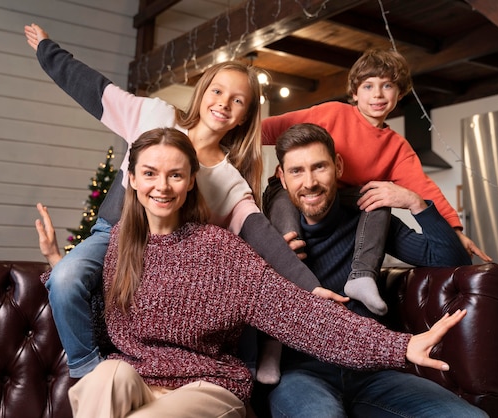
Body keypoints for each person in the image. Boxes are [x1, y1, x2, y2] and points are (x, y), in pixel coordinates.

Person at [36, 127, 468, 418]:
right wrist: (61, 266)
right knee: (106, 375)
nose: (161, 186)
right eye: (149, 174)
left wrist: (400, 346)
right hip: (139, 382)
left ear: (190, 183)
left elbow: (300, 314)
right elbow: (96, 324)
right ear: (131, 180)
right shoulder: (118, 250)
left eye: (175, 175)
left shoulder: (220, 250)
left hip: (205, 390)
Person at [24, 23, 343, 378]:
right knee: (66, 277)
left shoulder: (229, 181)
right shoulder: (154, 115)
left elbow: (264, 238)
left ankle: (246, 368)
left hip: (168, 261)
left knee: (245, 276)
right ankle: (86, 371)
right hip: (113, 233)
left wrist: (311, 287)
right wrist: (48, 51)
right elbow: (95, 89)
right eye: (218, 91)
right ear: (203, 91)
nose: (223, 103)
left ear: (245, 116)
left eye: (237, 100)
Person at [257, 122, 487, 418]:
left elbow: (453, 260)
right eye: (297, 171)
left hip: (373, 371)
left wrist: (415, 203)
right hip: (302, 374)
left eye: (319, 167)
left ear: (338, 166)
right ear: (282, 178)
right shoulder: (266, 234)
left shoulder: (367, 223)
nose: (310, 182)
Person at [261, 48, 491, 317]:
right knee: (284, 229)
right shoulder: (332, 113)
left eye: (388, 86)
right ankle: (286, 269)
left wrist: (454, 228)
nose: (378, 94)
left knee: (378, 197)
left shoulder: (396, 147)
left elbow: (424, 189)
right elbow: (268, 129)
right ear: (355, 93)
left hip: (347, 201)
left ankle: (361, 276)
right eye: (368, 86)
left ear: (400, 94)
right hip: (288, 199)